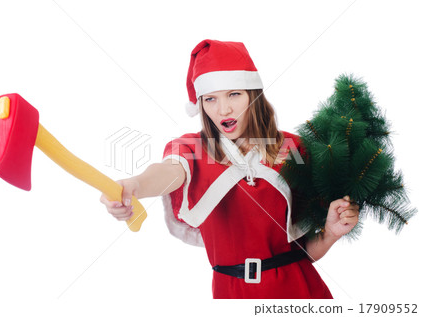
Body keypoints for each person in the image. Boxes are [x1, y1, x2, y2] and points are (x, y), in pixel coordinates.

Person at [100, 39, 359, 299]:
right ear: (201, 104)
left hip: (300, 293)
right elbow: (168, 172)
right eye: (211, 99)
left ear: (252, 95)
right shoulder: (191, 149)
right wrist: (135, 185)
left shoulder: (294, 149)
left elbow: (302, 254)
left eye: (234, 94)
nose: (223, 109)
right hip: (231, 294)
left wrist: (330, 234)